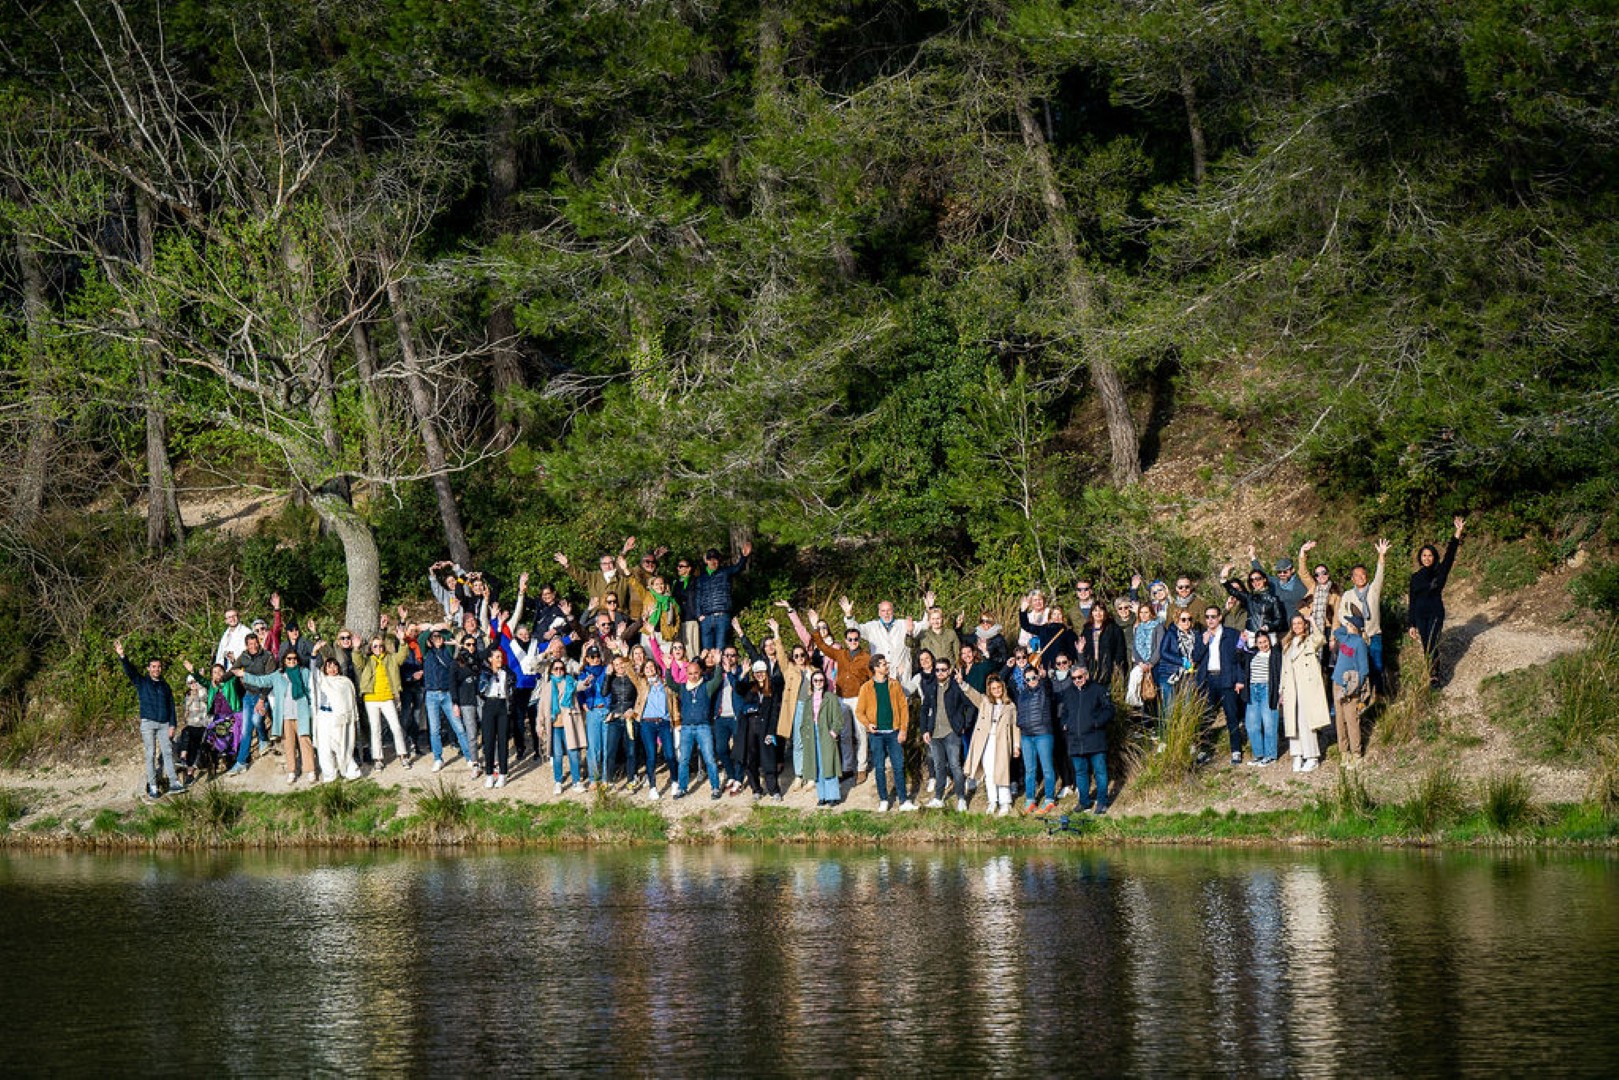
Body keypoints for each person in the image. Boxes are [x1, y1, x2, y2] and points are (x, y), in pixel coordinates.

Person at [237, 649, 317, 784]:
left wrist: (314, 653)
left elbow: (313, 680)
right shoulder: (277, 676)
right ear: (284, 661)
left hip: (302, 713)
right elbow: (261, 681)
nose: (292, 661)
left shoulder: (304, 672)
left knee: (305, 742)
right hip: (285, 716)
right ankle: (291, 771)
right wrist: (244, 674)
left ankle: (310, 771)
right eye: (289, 659)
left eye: (294, 658)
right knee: (289, 744)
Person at [810, 613, 874, 782]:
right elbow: (823, 646)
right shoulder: (840, 654)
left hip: (858, 698)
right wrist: (815, 628)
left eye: (856, 639)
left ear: (859, 640)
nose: (853, 642)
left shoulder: (866, 658)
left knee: (860, 733)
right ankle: (847, 767)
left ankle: (861, 768)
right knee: (845, 734)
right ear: (845, 641)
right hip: (841, 698)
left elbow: (872, 681)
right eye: (850, 639)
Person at [115, 639, 182, 799]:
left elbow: (171, 706)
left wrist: (173, 724)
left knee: (167, 752)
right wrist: (122, 656)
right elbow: (130, 671)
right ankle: (153, 786)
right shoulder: (142, 682)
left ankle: (174, 783)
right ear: (148, 668)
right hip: (148, 722)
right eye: (153, 667)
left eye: (158, 667)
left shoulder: (165, 686)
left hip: (164, 723)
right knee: (150, 753)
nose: (156, 669)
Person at [855, 656, 917, 812]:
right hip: (876, 735)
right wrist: (868, 724)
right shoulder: (866, 688)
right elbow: (859, 711)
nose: (887, 666)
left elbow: (903, 708)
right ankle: (883, 800)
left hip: (894, 732)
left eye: (886, 664)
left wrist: (903, 729)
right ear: (875, 668)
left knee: (899, 766)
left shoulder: (894, 685)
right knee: (879, 767)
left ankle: (903, 801)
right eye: (883, 664)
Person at [1409, 517, 1465, 676]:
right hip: (1420, 615)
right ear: (1420, 558)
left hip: (1435, 612)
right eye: (1424, 555)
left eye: (1430, 555)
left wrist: (1457, 533)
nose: (1427, 558)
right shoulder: (1415, 577)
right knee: (1425, 644)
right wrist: (1411, 624)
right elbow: (1412, 601)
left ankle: (1434, 675)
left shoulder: (1440, 572)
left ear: (1434, 557)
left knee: (1432, 642)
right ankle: (1430, 671)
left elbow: (1450, 555)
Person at [1055, 661, 1114, 814]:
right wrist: (1065, 724)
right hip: (1075, 740)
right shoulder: (1068, 692)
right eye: (1074, 678)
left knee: (1100, 772)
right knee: (1080, 772)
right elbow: (1064, 712)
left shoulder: (1098, 690)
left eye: (1079, 677)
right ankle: (1084, 802)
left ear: (1086, 676)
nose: (1077, 680)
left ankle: (1102, 802)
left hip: (1095, 738)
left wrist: (1097, 723)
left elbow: (1109, 710)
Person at [419, 627, 479, 774]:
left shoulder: (449, 651)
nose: (437, 639)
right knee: (435, 729)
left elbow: (448, 634)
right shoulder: (427, 653)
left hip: (447, 694)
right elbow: (421, 639)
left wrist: (441, 631)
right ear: (430, 640)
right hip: (431, 694)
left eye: (439, 637)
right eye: (434, 637)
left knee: (459, 727)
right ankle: (438, 758)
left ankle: (469, 757)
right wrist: (431, 629)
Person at [961, 673, 1020, 815]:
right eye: (994, 688)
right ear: (990, 690)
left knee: (1002, 771)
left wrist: (1016, 746)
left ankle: (1005, 802)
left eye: (999, 687)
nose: (997, 690)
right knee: (989, 771)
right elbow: (973, 694)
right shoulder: (985, 702)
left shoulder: (1010, 706)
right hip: (986, 740)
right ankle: (992, 801)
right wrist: (962, 683)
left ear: (1003, 688)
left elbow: (1015, 727)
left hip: (1002, 741)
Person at [917, 656, 971, 810]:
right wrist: (924, 730)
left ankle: (961, 798)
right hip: (934, 733)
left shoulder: (956, 687)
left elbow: (970, 705)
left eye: (943, 670)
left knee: (955, 765)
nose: (940, 672)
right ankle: (938, 798)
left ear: (949, 671)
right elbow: (924, 709)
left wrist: (964, 725)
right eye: (937, 670)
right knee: (939, 766)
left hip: (952, 732)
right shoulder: (931, 687)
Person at [1198, 606, 1248, 765]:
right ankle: (1203, 750)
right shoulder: (1203, 636)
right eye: (1207, 617)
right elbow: (1195, 657)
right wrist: (1203, 643)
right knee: (1206, 717)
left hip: (1227, 679)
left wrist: (1240, 680)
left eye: (1213, 616)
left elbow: (1240, 658)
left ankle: (1236, 751)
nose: (1210, 620)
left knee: (1231, 716)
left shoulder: (1232, 634)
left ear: (1220, 617)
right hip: (1209, 680)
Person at [1279, 614, 1328, 771]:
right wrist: (1281, 691)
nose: (1297, 626)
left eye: (1300, 623)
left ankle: (1312, 756)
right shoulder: (1287, 645)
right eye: (1294, 623)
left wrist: (1312, 621)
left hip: (1306, 687)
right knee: (1292, 722)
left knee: (1306, 722)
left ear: (1304, 625)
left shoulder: (1309, 641)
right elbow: (1284, 670)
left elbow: (1320, 639)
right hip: (1291, 688)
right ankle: (1297, 755)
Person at [358, 633, 413, 773]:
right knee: (375, 729)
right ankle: (378, 759)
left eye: (380, 646)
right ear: (371, 648)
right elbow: (357, 661)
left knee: (396, 727)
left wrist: (402, 641)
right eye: (375, 646)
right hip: (371, 698)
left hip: (388, 697)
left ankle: (402, 755)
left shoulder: (391, 658)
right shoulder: (367, 660)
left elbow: (402, 656)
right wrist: (356, 648)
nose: (378, 648)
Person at [1341, 538, 1391, 684]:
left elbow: (1380, 574)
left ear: (1366, 575)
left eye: (1362, 574)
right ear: (1352, 579)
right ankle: (1363, 693)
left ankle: (1379, 693)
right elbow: (1341, 614)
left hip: (1374, 634)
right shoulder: (1348, 595)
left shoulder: (1374, 590)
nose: (1360, 577)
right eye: (1356, 575)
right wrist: (1349, 626)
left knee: (1377, 666)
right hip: (1357, 637)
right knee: (1359, 668)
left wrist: (1381, 555)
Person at [1011, 658, 1058, 815]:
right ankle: (1030, 800)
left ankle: (1050, 799)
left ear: (1038, 677)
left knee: (1047, 768)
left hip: (1043, 734)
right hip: (1027, 736)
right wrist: (1020, 725)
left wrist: (1045, 678)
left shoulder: (1044, 689)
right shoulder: (1022, 695)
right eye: (1028, 679)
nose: (1031, 681)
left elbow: (1049, 689)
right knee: (1029, 769)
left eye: (1034, 677)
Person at [674, 659, 726, 800]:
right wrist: (667, 669)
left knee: (709, 758)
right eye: (690, 673)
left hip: (703, 727)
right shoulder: (683, 688)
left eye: (696, 673)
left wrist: (717, 664)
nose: (693, 676)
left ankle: (715, 788)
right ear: (686, 674)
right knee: (683, 760)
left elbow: (717, 679)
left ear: (701, 672)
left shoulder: (706, 686)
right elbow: (671, 684)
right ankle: (682, 788)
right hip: (686, 728)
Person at [632, 658, 679, 798]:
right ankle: (652, 787)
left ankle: (675, 781)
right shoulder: (642, 684)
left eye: (652, 666)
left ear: (657, 669)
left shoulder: (666, 684)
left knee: (670, 754)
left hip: (664, 722)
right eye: (646, 668)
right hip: (647, 723)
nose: (649, 669)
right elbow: (630, 672)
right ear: (643, 671)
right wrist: (621, 653)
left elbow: (674, 704)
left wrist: (677, 722)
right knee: (651, 756)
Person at [310, 654, 362, 782]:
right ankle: (329, 775)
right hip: (323, 716)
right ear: (325, 669)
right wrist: (314, 654)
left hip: (339, 717)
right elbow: (313, 670)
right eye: (329, 666)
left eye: (334, 666)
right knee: (324, 747)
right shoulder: (322, 680)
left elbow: (351, 702)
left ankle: (350, 771)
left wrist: (352, 717)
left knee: (342, 745)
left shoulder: (345, 682)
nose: (332, 669)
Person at [691, 542, 751, 650]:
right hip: (706, 618)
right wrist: (699, 615)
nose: (713, 562)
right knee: (707, 651)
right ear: (706, 561)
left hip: (722, 616)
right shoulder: (701, 578)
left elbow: (738, 568)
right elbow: (697, 597)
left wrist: (744, 557)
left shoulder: (725, 572)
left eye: (715, 559)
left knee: (721, 649)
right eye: (710, 559)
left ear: (719, 560)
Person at [538, 658, 585, 793]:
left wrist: (586, 682)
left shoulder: (569, 682)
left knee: (573, 752)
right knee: (557, 755)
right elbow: (541, 707)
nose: (559, 671)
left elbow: (579, 686)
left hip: (568, 723)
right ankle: (558, 782)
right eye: (556, 669)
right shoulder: (547, 687)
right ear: (551, 671)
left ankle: (576, 781)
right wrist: (540, 724)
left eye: (561, 668)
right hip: (554, 725)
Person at [737, 661, 781, 800]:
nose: (760, 675)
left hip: (765, 726)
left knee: (768, 759)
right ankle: (756, 789)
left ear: (766, 672)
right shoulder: (750, 687)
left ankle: (774, 790)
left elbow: (774, 713)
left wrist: (771, 732)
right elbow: (738, 688)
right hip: (750, 727)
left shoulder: (773, 689)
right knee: (751, 760)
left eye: (762, 672)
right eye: (757, 673)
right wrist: (743, 673)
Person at [1331, 612, 1371, 762]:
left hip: (1350, 686)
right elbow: (1337, 631)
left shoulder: (1360, 643)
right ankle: (1344, 751)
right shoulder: (1346, 637)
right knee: (1340, 719)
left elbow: (1364, 669)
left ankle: (1356, 753)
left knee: (1352, 720)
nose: (1345, 626)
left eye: (1348, 624)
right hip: (1337, 682)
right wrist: (1347, 626)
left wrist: (1356, 687)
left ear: (1354, 627)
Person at [1153, 609, 1208, 717]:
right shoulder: (1171, 633)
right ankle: (1168, 728)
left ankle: (1185, 726)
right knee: (1169, 707)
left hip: (1188, 674)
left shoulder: (1195, 635)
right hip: (1169, 673)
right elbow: (1163, 652)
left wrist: (1204, 644)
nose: (1187, 622)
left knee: (1188, 705)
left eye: (1189, 619)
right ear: (1177, 620)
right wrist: (1182, 661)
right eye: (1183, 619)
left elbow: (1198, 653)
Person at [805, 669, 845, 807]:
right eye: (815, 680)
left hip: (826, 733)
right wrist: (805, 735)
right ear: (812, 682)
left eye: (821, 680)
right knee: (816, 764)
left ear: (825, 682)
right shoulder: (808, 700)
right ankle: (822, 796)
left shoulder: (831, 697)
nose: (818, 683)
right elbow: (804, 721)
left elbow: (838, 718)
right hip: (812, 734)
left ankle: (833, 796)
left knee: (828, 763)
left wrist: (834, 732)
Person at [1241, 631, 1281, 765]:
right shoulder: (1252, 654)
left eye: (1265, 642)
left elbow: (1280, 673)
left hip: (1267, 689)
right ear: (1256, 644)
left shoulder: (1275, 654)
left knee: (1269, 723)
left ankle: (1270, 755)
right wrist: (1242, 641)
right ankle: (1258, 754)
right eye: (1260, 643)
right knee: (1251, 725)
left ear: (1270, 641)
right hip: (1253, 690)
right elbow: (1238, 656)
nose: (1263, 645)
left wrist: (1281, 692)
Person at [479, 649, 514, 788]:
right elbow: (480, 690)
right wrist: (489, 675)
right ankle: (489, 774)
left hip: (502, 705)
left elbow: (511, 686)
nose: (500, 659)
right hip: (489, 704)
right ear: (490, 659)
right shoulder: (485, 673)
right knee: (489, 740)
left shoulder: (507, 673)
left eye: (501, 657)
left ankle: (503, 774)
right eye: (497, 657)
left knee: (503, 740)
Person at [1081, 604, 1127, 687]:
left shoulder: (1114, 629)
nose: (1098, 613)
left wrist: (1117, 667)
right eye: (1095, 610)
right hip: (1091, 668)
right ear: (1091, 613)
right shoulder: (1087, 629)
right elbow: (1083, 649)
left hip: (1109, 669)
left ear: (1105, 612)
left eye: (1101, 610)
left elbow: (1120, 650)